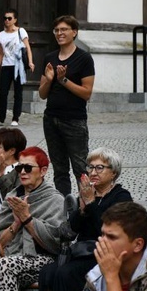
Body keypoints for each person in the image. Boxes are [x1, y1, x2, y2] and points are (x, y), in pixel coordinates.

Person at [39, 148, 132, 291]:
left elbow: (109, 230)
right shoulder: (88, 193)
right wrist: (81, 210)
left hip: (104, 254)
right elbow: (71, 231)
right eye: (90, 167)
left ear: (114, 173)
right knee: (47, 273)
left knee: (65, 273)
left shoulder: (121, 197)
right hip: (81, 252)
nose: (93, 172)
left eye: (100, 168)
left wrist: (90, 204)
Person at [0, 147, 65, 291]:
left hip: (42, 258)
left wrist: (28, 219)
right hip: (11, 253)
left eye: (28, 168)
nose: (22, 172)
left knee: (5, 266)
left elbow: (55, 243)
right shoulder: (12, 196)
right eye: (19, 168)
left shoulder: (55, 199)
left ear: (43, 170)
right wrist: (15, 225)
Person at [38, 15, 95, 196]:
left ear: (74, 32)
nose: (59, 33)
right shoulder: (50, 57)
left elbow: (86, 93)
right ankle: (64, 207)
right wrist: (49, 80)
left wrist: (63, 80)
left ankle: (86, 207)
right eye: (57, 30)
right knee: (60, 170)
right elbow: (42, 94)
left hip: (74, 120)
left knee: (80, 168)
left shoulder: (84, 58)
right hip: (51, 118)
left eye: (64, 29)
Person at [0, 9, 34, 127]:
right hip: (6, 65)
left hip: (18, 66)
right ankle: (1, 118)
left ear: (15, 20)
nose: (7, 21)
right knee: (3, 93)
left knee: (18, 93)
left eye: (9, 18)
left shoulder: (21, 31)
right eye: (5, 18)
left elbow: (28, 48)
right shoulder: (1, 34)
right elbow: (1, 52)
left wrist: (30, 62)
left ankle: (16, 118)